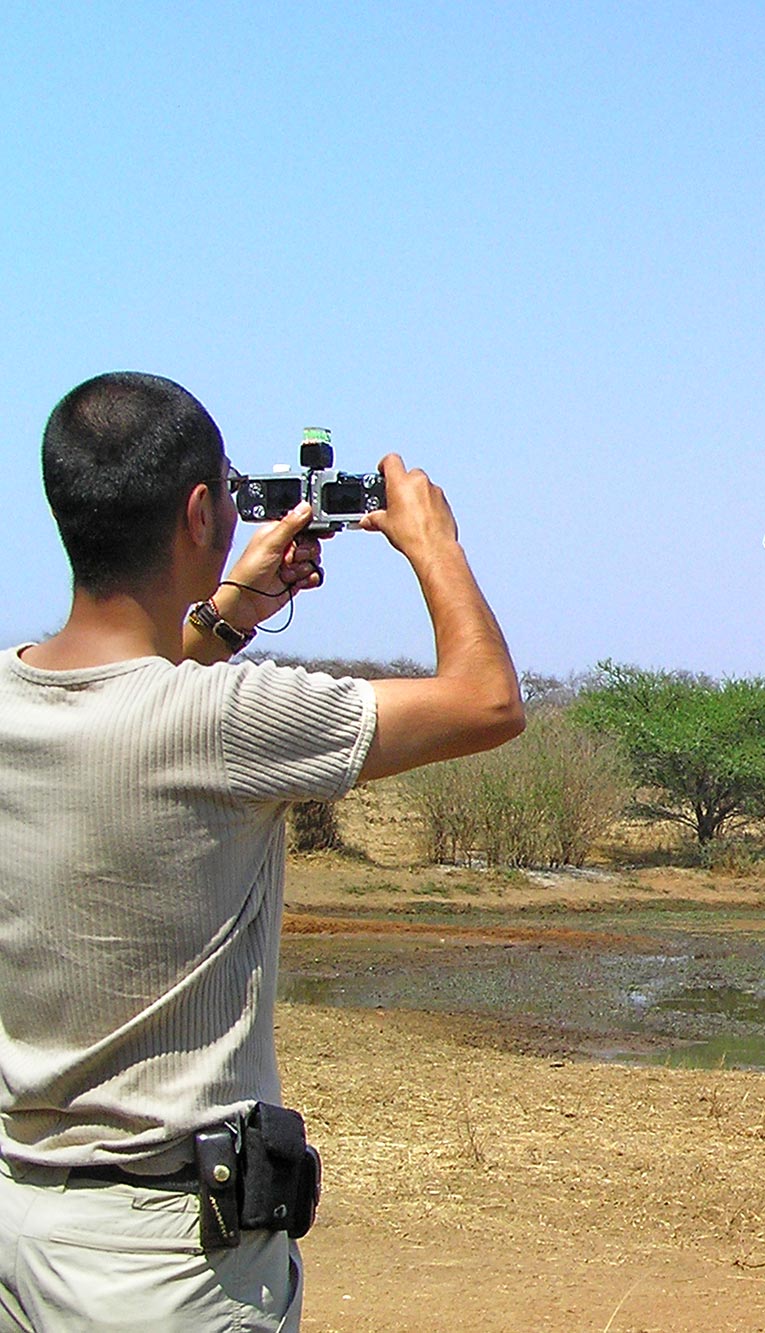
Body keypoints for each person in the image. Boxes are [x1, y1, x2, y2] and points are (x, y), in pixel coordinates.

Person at [0, 372, 524, 1331]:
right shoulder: (229, 722)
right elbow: (486, 700)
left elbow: (127, 706)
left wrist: (232, 606)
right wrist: (432, 544)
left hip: (22, 1221)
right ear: (203, 511)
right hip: (165, 1261)